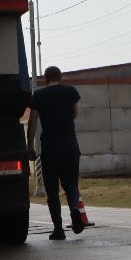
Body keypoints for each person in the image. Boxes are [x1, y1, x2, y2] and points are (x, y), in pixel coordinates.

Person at [25, 65, 84, 240]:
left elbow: (33, 120)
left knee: (52, 191)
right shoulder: (70, 91)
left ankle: (58, 229)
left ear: (44, 78)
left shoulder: (39, 95)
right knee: (71, 184)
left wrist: (30, 146)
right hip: (70, 147)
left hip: (50, 149)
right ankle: (75, 208)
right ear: (60, 77)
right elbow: (75, 114)